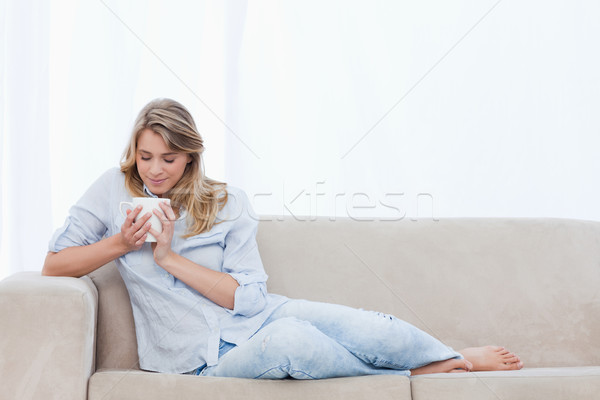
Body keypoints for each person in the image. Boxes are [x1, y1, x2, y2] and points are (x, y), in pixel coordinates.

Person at [42, 98, 524, 378]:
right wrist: (122, 245)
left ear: (190, 157)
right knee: (293, 342)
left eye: (168, 158)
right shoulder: (113, 188)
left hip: (258, 316)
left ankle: (450, 356)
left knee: (374, 327)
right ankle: (420, 374)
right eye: (145, 156)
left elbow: (250, 299)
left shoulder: (227, 202)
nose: (155, 170)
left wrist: (168, 258)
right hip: (193, 358)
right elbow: (55, 264)